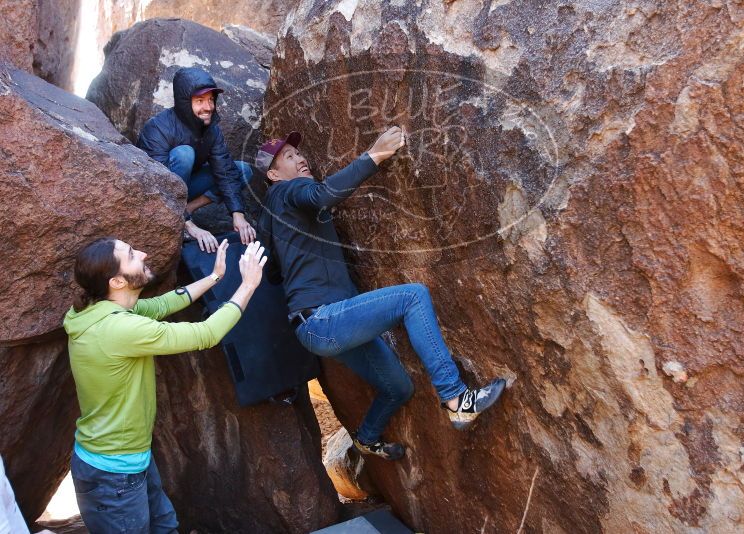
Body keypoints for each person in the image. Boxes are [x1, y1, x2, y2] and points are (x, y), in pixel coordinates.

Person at [255, 127, 506, 461]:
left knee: (398, 388)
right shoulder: (287, 192)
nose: (300, 158)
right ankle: (457, 399)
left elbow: (271, 270)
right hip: (323, 319)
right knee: (412, 297)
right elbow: (321, 194)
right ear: (274, 174)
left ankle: (367, 437)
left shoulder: (274, 214)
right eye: (289, 156)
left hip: (322, 325)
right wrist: (374, 155)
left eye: (299, 153)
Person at [63, 236, 266, 532]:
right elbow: (206, 334)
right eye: (132, 255)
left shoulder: (97, 310)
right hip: (113, 474)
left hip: (129, 460)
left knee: (165, 525)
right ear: (117, 282)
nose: (144, 252)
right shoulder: (118, 329)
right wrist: (247, 284)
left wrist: (215, 276)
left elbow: (160, 305)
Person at [138, 67, 257, 253]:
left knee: (242, 170)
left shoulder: (211, 129)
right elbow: (155, 185)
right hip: (163, 192)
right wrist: (189, 226)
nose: (208, 107)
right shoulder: (158, 128)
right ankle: (183, 219)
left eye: (211, 100)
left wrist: (238, 214)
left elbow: (225, 170)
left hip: (190, 187)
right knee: (184, 154)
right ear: (185, 103)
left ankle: (188, 209)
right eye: (200, 101)